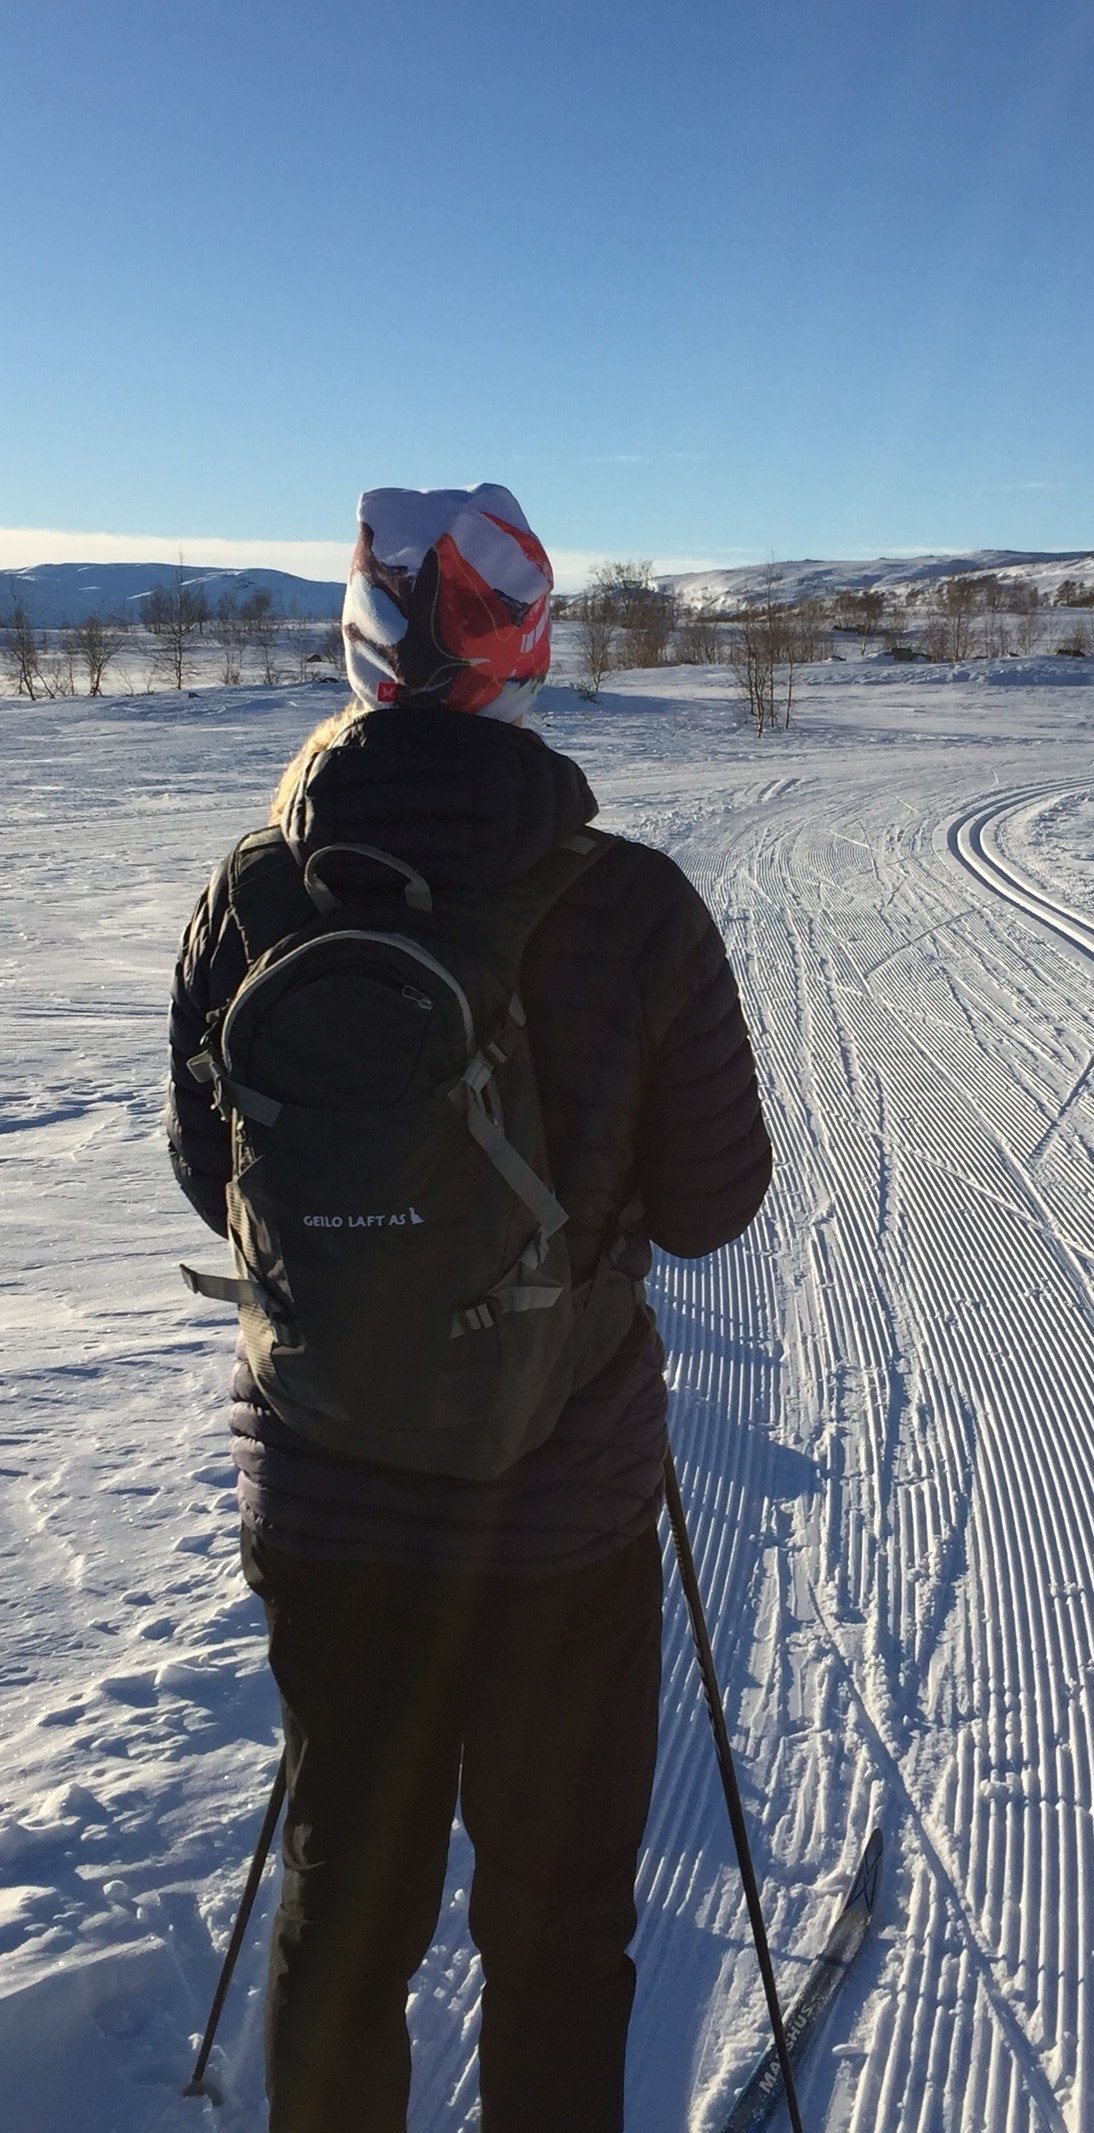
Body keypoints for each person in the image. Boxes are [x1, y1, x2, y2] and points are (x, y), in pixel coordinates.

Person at [166, 484, 771, 2133]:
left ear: (355, 656)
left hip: (323, 1490)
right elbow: (718, 1204)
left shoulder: (247, 897)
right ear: (526, 659)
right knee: (556, 1931)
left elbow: (204, 1164)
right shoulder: (634, 906)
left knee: (345, 1915)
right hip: (558, 1512)